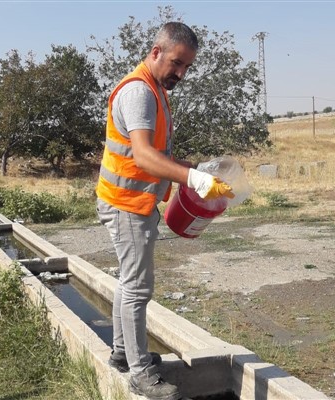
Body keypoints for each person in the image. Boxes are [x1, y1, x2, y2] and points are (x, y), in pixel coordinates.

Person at [96, 21, 234, 400]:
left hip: (131, 201)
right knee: (138, 287)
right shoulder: (140, 92)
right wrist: (193, 181)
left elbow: (156, 156)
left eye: (187, 67)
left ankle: (124, 355)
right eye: (176, 63)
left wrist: (195, 170)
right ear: (156, 52)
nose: (181, 73)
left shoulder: (154, 89)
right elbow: (143, 156)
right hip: (127, 204)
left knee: (129, 282)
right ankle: (140, 373)